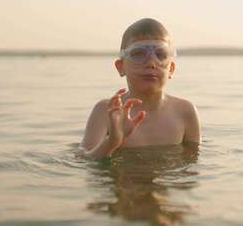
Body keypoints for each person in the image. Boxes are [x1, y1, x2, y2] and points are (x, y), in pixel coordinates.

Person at [81, 18, 201, 159]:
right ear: (121, 67)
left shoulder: (185, 111)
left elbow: (192, 165)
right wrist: (112, 142)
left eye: (160, 55)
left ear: (171, 69)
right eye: (138, 54)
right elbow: (85, 160)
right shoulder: (106, 111)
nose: (151, 63)